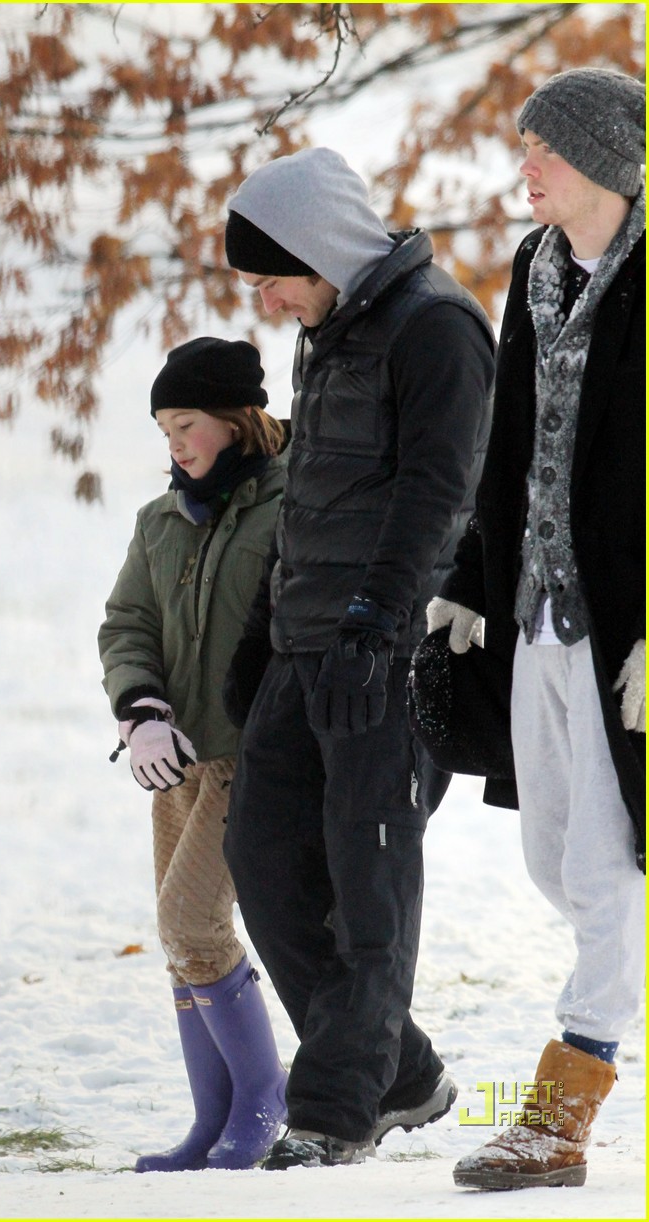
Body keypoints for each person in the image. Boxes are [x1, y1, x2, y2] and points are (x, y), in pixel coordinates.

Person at [221, 147, 496, 1169]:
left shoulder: (437, 328)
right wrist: (263, 632)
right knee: (261, 859)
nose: (265, 292)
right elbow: (306, 500)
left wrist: (377, 623)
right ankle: (405, 1071)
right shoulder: (328, 334)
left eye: (273, 270)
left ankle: (337, 1112)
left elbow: (440, 492)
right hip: (306, 652)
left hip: (388, 654)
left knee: (365, 880)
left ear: (321, 244)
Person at [428, 68, 645, 1191]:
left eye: (539, 151)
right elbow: (506, 440)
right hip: (537, 613)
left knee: (607, 868)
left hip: (625, 629)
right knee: (551, 853)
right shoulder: (535, 265)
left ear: (598, 159)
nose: (523, 168)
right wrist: (472, 571)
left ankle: (559, 1117)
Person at [98, 337, 289, 1172]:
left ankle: (262, 1105)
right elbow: (127, 625)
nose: (173, 443)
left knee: (193, 922)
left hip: (251, 757)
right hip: (176, 762)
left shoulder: (292, 503)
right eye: (164, 429)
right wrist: (139, 711)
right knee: (181, 936)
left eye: (186, 424)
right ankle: (210, 1122)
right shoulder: (159, 520)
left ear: (235, 420)